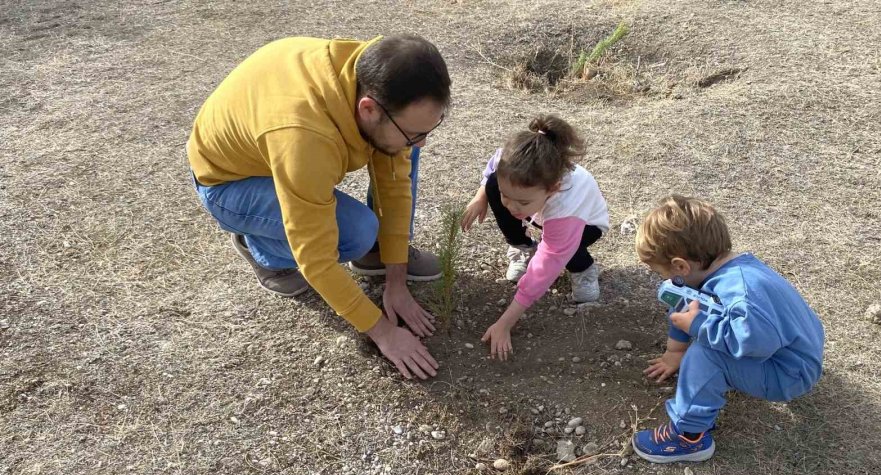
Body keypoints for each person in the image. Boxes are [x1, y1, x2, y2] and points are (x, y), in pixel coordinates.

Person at [187, 35, 451, 380]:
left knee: (398, 150)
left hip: (276, 151)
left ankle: (377, 253)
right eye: (415, 132)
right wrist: (384, 332)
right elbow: (316, 257)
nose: (423, 141)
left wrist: (396, 278)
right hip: (228, 184)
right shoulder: (304, 136)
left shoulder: (378, 79)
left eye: (429, 129)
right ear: (368, 109)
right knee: (353, 234)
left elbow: (396, 184)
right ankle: (263, 249)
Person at [632, 195, 825, 463]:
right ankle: (721, 376)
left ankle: (688, 436)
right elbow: (686, 307)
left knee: (705, 354)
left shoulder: (742, 293)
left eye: (660, 273)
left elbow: (755, 342)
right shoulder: (733, 269)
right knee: (695, 312)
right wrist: (675, 352)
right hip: (793, 353)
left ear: (680, 267)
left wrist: (698, 326)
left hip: (789, 374)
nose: (663, 280)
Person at [460, 115, 609, 360]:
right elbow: (493, 170)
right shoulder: (510, 160)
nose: (512, 206)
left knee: (568, 253)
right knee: (494, 190)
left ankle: (585, 270)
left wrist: (505, 322)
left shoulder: (566, 205)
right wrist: (482, 197)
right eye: (509, 196)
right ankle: (522, 246)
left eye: (523, 201)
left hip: (586, 224)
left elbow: (547, 264)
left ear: (552, 189)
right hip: (542, 214)